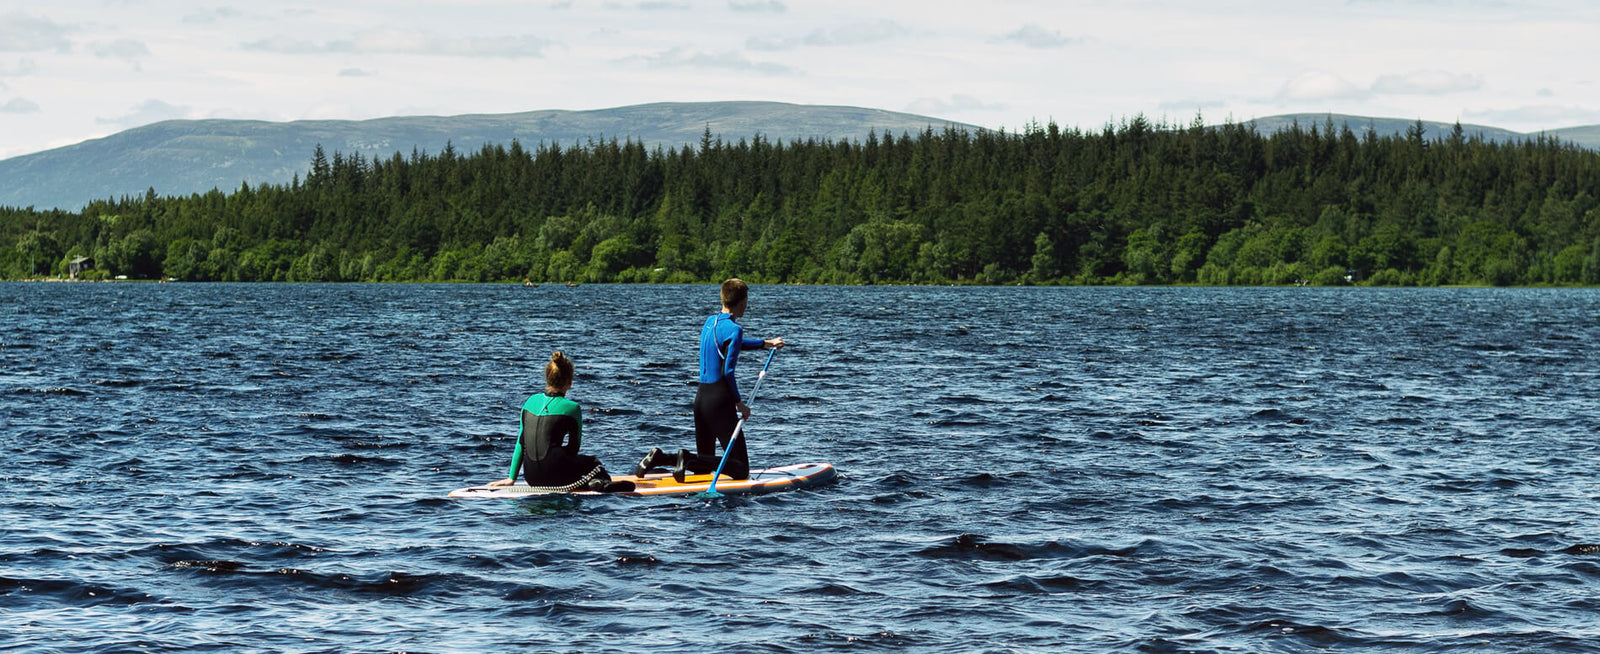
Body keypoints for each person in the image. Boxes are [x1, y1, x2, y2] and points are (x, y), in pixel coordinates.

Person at [634, 278, 785, 482]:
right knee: (741, 470)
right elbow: (728, 372)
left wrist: (765, 344)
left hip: (701, 399)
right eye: (747, 300)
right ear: (742, 301)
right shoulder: (735, 329)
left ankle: (662, 457)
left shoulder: (709, 322)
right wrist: (740, 404)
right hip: (720, 401)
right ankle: (684, 457)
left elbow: (731, 343)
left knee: (702, 469)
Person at [488, 351, 632, 493]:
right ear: (569, 382)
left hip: (531, 477)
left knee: (558, 460)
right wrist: (559, 457)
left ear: (547, 378)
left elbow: (521, 443)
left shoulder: (529, 402)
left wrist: (511, 478)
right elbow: (574, 447)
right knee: (594, 464)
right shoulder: (573, 408)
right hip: (557, 476)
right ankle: (601, 483)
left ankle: (586, 483)